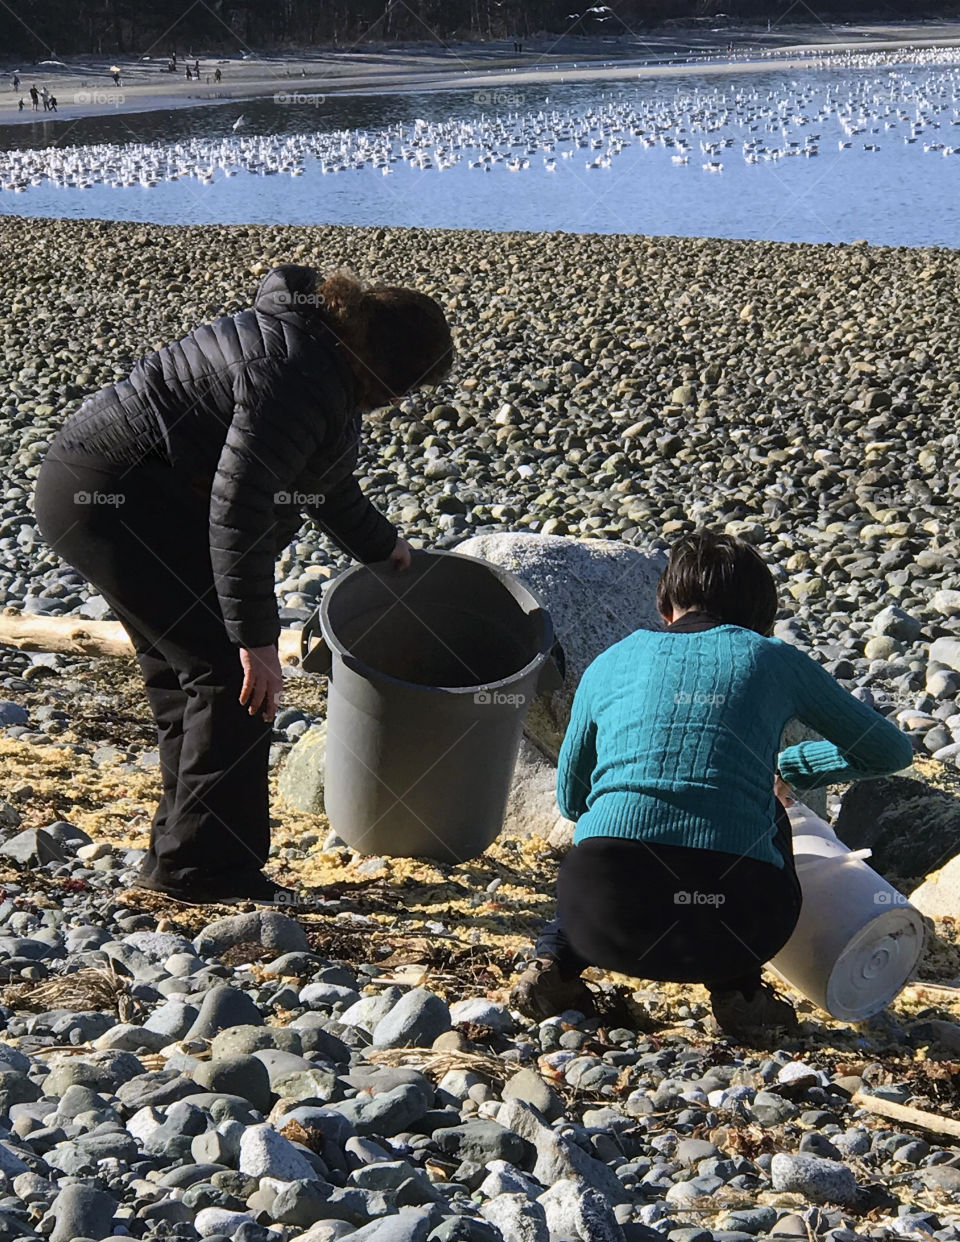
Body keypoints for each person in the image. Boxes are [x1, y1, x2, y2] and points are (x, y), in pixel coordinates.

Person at [35, 265, 453, 905]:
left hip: (105, 489)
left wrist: (384, 546)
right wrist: (256, 640)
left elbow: (318, 478)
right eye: (406, 390)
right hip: (114, 502)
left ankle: (179, 858)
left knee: (188, 675)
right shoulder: (296, 373)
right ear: (389, 367)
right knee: (234, 681)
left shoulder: (313, 351)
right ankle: (208, 872)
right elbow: (241, 507)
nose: (395, 405)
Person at [512, 530, 913, 1039]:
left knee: (605, 835)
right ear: (762, 619)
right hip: (738, 930)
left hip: (601, 921)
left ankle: (555, 962)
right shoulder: (771, 657)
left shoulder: (610, 662)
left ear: (665, 607)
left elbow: (572, 801)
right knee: (766, 813)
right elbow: (891, 751)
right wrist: (791, 769)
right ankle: (739, 991)